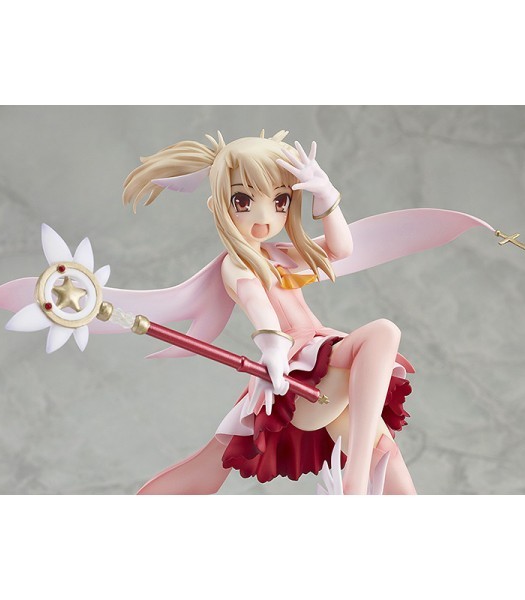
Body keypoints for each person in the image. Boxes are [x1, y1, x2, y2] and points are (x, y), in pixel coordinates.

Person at [123, 130, 417, 494]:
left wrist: (326, 196)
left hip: (324, 365)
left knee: (386, 452)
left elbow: (340, 250)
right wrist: (274, 350)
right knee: (383, 331)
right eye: (243, 200)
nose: (264, 217)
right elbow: (257, 305)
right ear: (217, 206)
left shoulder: (277, 253)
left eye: (280, 201)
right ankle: (354, 479)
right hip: (301, 372)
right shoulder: (237, 265)